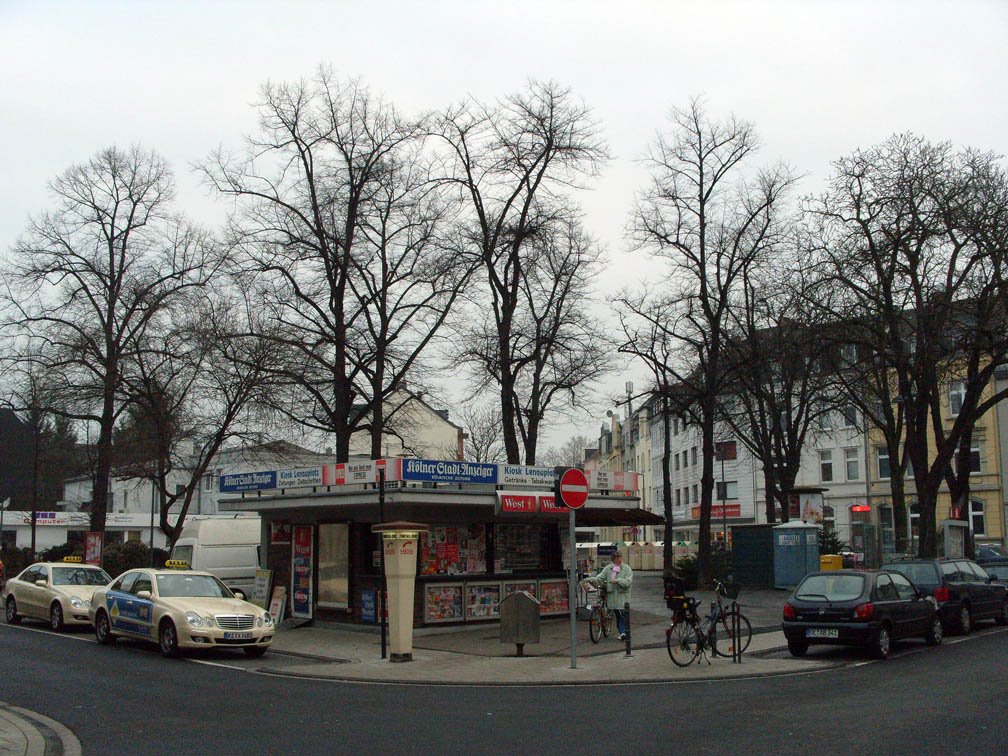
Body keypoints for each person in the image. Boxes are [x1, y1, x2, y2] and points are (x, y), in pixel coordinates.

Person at [584, 551, 633, 640]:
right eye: (617, 558)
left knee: (622, 615)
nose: (619, 560)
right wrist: (589, 579)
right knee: (617, 614)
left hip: (623, 597)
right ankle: (621, 632)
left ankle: (623, 633)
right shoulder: (608, 569)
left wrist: (618, 580)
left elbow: (628, 582)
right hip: (612, 597)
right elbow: (600, 578)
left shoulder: (626, 569)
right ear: (613, 559)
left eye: (620, 558)